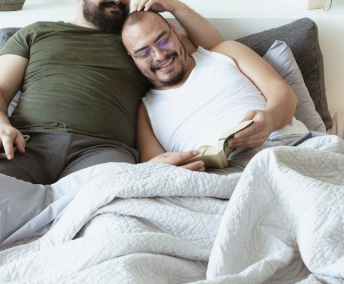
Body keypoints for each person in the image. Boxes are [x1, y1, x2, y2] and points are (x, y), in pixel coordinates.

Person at [0, 0, 223, 184]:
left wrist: (173, 5)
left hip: (104, 151)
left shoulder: (139, 39)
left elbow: (215, 47)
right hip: (28, 143)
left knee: (112, 206)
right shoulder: (37, 32)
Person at [120, 11, 308, 169]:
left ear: (175, 32)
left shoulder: (225, 53)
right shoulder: (145, 112)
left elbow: (285, 94)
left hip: (285, 146)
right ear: (133, 59)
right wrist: (171, 169)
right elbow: (155, 169)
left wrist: (271, 120)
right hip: (221, 178)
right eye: (144, 52)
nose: (159, 55)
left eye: (163, 40)